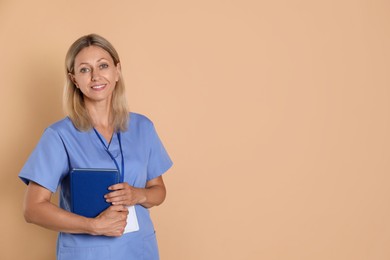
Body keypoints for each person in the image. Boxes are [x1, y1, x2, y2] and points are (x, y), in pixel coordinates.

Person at [19, 34, 173, 260]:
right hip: (87, 253)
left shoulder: (143, 127)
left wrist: (137, 195)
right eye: (84, 69)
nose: (96, 76)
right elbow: (32, 209)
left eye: (103, 65)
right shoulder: (59, 136)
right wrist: (94, 226)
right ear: (74, 79)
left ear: (117, 71)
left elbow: (158, 191)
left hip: (139, 250)